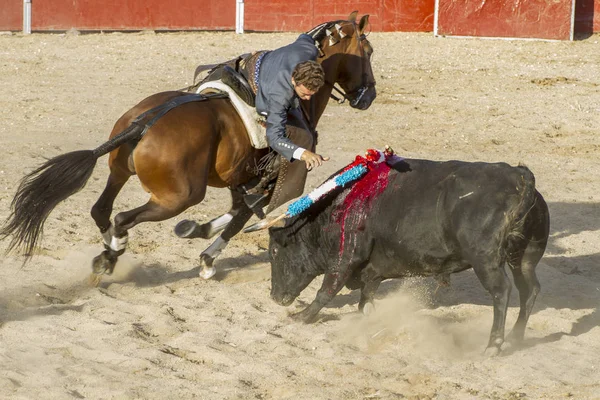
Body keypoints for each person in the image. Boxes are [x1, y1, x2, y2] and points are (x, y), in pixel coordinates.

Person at [246, 33, 329, 214]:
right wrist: (303, 153)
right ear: (294, 81)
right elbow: (274, 136)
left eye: (312, 94)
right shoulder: (280, 95)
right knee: (302, 136)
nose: (307, 98)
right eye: (305, 94)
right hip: (260, 76)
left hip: (272, 58)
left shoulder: (309, 49)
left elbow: (305, 36)